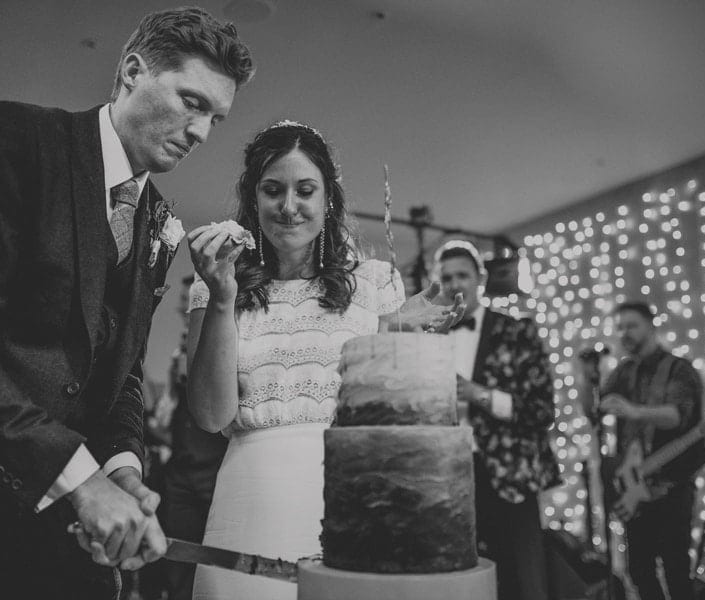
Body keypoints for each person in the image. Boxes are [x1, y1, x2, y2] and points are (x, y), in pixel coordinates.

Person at [0, 8, 254, 599]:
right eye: (192, 101)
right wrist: (83, 481)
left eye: (216, 117)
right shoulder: (16, 140)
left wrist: (123, 473)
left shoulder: (158, 222)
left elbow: (121, 377)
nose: (202, 132)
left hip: (48, 520)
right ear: (132, 72)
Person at [185, 121, 465, 600]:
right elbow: (212, 416)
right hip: (251, 501)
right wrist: (221, 297)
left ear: (328, 199)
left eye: (305, 190)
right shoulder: (216, 285)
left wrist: (392, 332)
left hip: (355, 496)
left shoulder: (374, 283)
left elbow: (388, 415)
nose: (288, 206)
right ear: (253, 200)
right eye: (272, 190)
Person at [434, 241, 559, 600]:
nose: (455, 283)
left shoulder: (518, 332)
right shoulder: (430, 337)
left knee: (521, 577)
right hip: (447, 474)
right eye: (447, 277)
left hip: (509, 474)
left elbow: (541, 410)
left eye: (462, 275)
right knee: (461, 576)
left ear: (480, 279)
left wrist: (479, 395)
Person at [598, 301, 705, 600]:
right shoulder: (624, 371)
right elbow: (597, 407)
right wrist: (584, 377)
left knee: (675, 570)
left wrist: (635, 411)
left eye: (632, 325)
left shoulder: (679, 370)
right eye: (620, 327)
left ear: (651, 325)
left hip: (671, 486)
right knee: (639, 571)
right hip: (634, 487)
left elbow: (676, 416)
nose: (624, 333)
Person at [158, 275, 229, 600]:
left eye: (192, 299)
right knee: (176, 569)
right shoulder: (178, 351)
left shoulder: (220, 339)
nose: (187, 307)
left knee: (213, 571)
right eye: (186, 301)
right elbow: (168, 415)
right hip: (179, 474)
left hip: (214, 472)